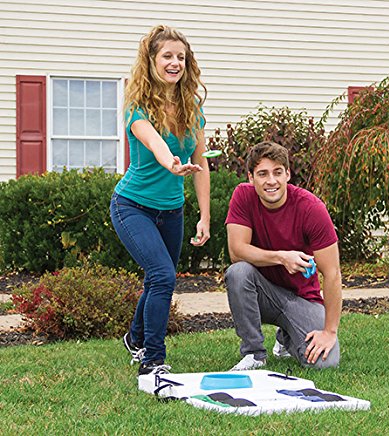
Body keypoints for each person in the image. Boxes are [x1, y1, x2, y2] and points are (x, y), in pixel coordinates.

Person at [110, 25, 210, 376]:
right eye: (167, 56)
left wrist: (204, 216)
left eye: (181, 57)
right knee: (163, 275)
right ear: (151, 60)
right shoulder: (137, 107)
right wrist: (172, 163)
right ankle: (152, 359)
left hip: (172, 212)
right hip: (132, 206)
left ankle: (135, 337)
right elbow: (155, 143)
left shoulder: (192, 109)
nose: (175, 63)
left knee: (157, 280)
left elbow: (202, 165)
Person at [225, 141, 342, 371]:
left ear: (287, 174)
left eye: (277, 172)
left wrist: (329, 332)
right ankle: (254, 354)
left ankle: (286, 336)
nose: (271, 181)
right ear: (251, 178)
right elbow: (237, 251)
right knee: (238, 273)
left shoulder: (311, 208)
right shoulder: (243, 196)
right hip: (262, 293)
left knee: (324, 363)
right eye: (262, 174)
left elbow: (332, 273)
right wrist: (282, 257)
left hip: (302, 298)